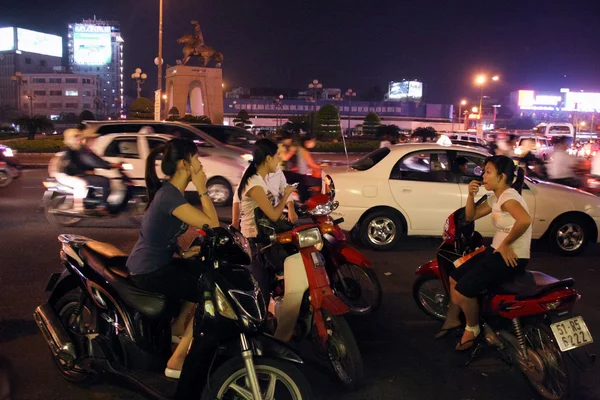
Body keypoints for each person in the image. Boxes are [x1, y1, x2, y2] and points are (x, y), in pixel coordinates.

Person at [126, 138, 219, 379]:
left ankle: (178, 331)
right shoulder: (170, 196)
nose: (200, 164)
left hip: (159, 261)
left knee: (201, 272)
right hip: (148, 269)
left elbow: (162, 231)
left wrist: (182, 252)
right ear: (183, 165)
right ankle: (177, 361)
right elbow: (213, 224)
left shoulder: (171, 193)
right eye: (196, 159)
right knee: (208, 293)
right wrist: (202, 188)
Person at [437, 156, 531, 351]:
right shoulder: (497, 196)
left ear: (502, 176)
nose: (483, 175)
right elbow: (471, 216)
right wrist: (471, 195)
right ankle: (458, 318)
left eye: (488, 171)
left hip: (511, 257)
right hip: (495, 251)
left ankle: (472, 329)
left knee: (464, 289)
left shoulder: (509, 197)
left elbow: (524, 220)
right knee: (454, 277)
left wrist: (506, 244)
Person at [236, 139, 296, 301]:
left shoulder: (259, 179)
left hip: (263, 238)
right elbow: (273, 215)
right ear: (268, 158)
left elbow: (269, 213)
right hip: (254, 242)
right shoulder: (254, 183)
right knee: (260, 291)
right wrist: (285, 196)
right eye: (277, 156)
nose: (279, 159)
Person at [55, 129, 118, 213]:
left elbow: (95, 160)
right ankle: (99, 205)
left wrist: (109, 165)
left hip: (77, 173)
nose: (94, 140)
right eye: (76, 136)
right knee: (104, 181)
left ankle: (92, 202)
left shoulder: (80, 148)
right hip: (70, 175)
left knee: (97, 181)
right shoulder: (74, 150)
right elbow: (89, 161)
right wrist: (108, 165)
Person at [232, 167, 298, 230]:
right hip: (254, 225)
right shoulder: (252, 175)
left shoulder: (278, 172)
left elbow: (284, 188)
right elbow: (238, 196)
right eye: (276, 157)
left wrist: (291, 209)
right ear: (268, 159)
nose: (278, 161)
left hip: (273, 221)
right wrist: (235, 222)